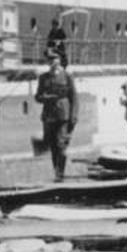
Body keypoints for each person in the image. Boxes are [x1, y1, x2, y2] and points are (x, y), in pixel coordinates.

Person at [34, 52, 78, 182]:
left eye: (54, 58)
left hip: (63, 115)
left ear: (59, 60)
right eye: (50, 59)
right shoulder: (43, 77)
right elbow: (38, 96)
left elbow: (74, 98)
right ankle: (57, 173)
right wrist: (46, 98)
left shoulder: (67, 76)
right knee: (53, 146)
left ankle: (60, 174)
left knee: (61, 145)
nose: (52, 61)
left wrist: (74, 116)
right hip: (49, 116)